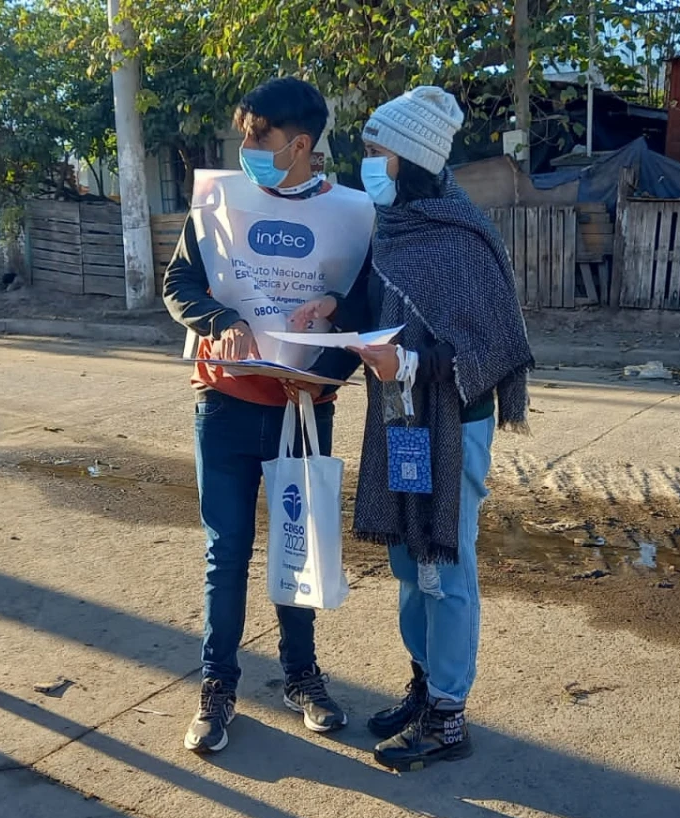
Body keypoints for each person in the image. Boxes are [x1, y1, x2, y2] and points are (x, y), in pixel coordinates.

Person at [292, 86, 533, 772]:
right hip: (403, 423)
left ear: (414, 160)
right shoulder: (392, 225)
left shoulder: (462, 239)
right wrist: (334, 304)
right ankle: (425, 685)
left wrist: (413, 361)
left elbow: (494, 351)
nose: (367, 164)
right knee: (409, 558)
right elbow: (377, 296)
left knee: (445, 565)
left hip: (454, 422)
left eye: (377, 153)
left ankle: (449, 714)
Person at [163, 78, 374, 754]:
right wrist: (219, 319)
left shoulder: (353, 214)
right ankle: (217, 686)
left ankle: (302, 676)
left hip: (303, 410)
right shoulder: (218, 202)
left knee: (298, 546)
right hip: (223, 404)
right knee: (226, 554)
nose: (245, 145)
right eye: (244, 132)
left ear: (302, 144)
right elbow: (178, 285)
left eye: (259, 135)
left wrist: (327, 376)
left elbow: (369, 311)